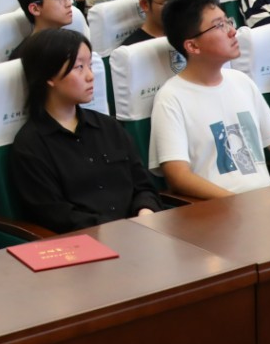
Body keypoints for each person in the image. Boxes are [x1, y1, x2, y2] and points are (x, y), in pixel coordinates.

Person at [149, 0, 270, 198]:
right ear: (192, 46)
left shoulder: (241, 81)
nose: (232, 31)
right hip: (219, 209)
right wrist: (236, 203)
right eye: (219, 26)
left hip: (268, 203)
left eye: (228, 21)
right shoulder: (170, 98)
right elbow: (178, 176)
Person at [10, 29, 159, 230]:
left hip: (139, 230)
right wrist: (118, 229)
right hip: (87, 240)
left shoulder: (109, 127)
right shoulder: (30, 145)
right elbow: (55, 214)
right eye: (79, 67)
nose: (90, 76)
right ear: (50, 76)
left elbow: (144, 186)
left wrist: (145, 211)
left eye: (90, 65)